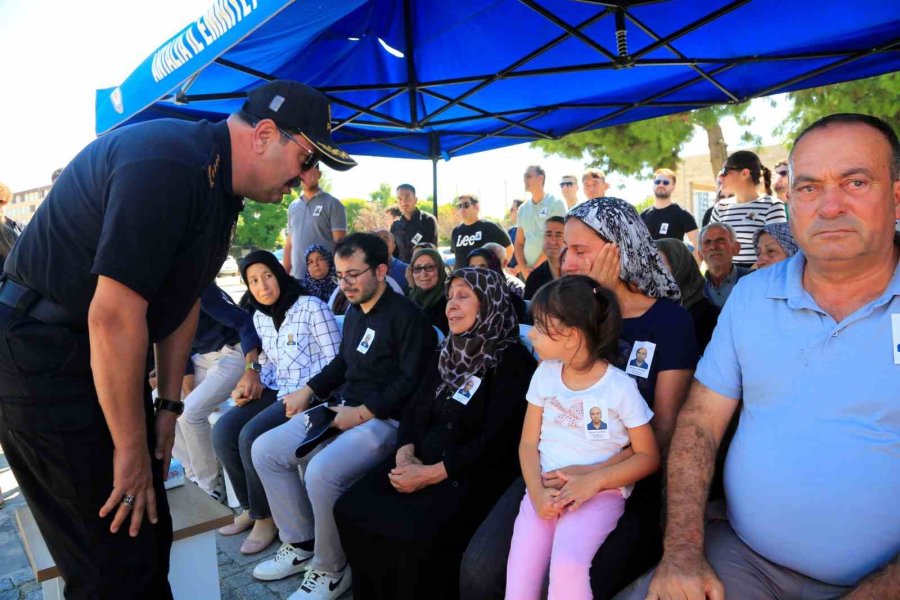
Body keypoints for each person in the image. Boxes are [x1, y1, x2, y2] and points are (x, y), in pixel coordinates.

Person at [0, 80, 354, 599]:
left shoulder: (219, 190)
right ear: (263, 134)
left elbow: (183, 302)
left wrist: (166, 412)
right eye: (304, 159)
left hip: (81, 353)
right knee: (109, 562)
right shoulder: (170, 163)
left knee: (146, 533)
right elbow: (113, 317)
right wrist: (130, 448)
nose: (307, 176)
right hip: (42, 354)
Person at [618, 113, 900, 599]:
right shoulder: (753, 296)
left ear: (896, 196)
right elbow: (700, 423)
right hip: (746, 562)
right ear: (789, 202)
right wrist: (682, 551)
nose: (830, 206)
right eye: (809, 187)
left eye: (855, 181)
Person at [461, 197, 698, 599]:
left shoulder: (669, 322)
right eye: (566, 249)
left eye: (581, 250)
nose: (567, 260)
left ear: (619, 249)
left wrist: (594, 477)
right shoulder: (564, 317)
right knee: (480, 572)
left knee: (570, 577)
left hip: (622, 483)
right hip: (552, 469)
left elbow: (663, 432)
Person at [334, 268, 536, 600]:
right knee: (351, 509)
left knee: (414, 534)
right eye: (450, 297)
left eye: (463, 296)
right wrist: (404, 449)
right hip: (422, 456)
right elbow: (415, 407)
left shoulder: (512, 361)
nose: (451, 306)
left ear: (489, 303)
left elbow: (496, 441)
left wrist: (432, 473)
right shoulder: (447, 351)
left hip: (470, 472)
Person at [251, 233, 434, 598]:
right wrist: (309, 389)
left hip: (386, 421)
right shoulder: (353, 313)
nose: (345, 284)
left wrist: (362, 413)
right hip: (340, 407)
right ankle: (302, 542)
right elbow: (343, 363)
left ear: (381, 271)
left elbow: (411, 381)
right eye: (339, 275)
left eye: (354, 274)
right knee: (265, 450)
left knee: (321, 472)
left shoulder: (408, 317)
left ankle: (331, 569)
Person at [507, 276, 660, 600]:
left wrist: (594, 481)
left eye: (539, 325)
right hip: (543, 492)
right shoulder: (545, 374)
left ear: (572, 337)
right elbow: (527, 443)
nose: (530, 333)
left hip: (598, 495)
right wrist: (535, 492)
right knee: (519, 576)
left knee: (567, 567)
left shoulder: (619, 388)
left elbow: (648, 456)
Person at [213, 251, 342, 555]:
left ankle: (265, 519)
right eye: (253, 281)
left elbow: (337, 360)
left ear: (279, 274)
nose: (262, 286)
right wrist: (250, 377)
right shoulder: (260, 316)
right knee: (223, 429)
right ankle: (250, 506)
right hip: (278, 388)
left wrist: (308, 391)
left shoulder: (311, 308)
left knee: (249, 435)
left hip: (312, 395)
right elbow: (268, 362)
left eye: (267, 276)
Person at [170, 283, 262, 502]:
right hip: (201, 359)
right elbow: (177, 347)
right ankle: (192, 472)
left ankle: (210, 484)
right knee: (161, 404)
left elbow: (243, 320)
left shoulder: (197, 286)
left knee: (190, 413)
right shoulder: (159, 297)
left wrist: (252, 368)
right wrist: (193, 392)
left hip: (231, 353)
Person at [711, 150, 787, 267]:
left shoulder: (772, 205)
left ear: (745, 173)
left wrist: (745, 279)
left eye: (725, 171)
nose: (720, 177)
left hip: (759, 278)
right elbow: (710, 245)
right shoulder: (720, 207)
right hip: (725, 278)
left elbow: (776, 249)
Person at [655, 238, 721, 353]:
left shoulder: (708, 315)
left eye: (660, 266)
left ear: (679, 267)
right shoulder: (653, 308)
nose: (654, 272)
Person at [283, 165, 347, 279]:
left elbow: (340, 244)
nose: (304, 176)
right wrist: (284, 275)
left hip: (324, 279)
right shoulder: (293, 206)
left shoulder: (333, 204)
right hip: (297, 277)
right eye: (301, 172)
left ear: (319, 174)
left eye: (308, 171)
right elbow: (289, 244)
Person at [515, 165, 567, 279]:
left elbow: (558, 238)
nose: (524, 180)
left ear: (540, 178)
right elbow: (519, 243)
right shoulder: (522, 209)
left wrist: (535, 269)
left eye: (528, 176)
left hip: (551, 270)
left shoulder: (556, 203)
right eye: (524, 177)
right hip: (527, 273)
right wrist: (523, 268)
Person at [640, 168, 700, 261]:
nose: (661, 184)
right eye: (657, 181)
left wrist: (693, 273)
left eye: (666, 182)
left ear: (673, 187)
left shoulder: (683, 214)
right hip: (647, 273)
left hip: (674, 273)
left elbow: (698, 247)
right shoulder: (643, 215)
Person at [466, 247, 528, 325]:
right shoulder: (462, 299)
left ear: (493, 268)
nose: (477, 271)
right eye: (472, 267)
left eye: (482, 266)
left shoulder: (512, 301)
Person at [450, 194, 512, 266]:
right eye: (460, 206)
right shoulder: (456, 231)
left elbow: (509, 248)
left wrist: (501, 268)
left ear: (477, 207)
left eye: (466, 205)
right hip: (462, 276)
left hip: (483, 276)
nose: (462, 209)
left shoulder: (490, 227)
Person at [699, 222, 749, 309]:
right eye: (707, 242)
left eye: (720, 240)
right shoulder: (695, 289)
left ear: (736, 248)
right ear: (700, 254)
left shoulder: (752, 279)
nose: (713, 247)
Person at [406, 247, 449, 334]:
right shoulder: (409, 298)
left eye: (429, 267)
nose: (423, 274)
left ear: (440, 268)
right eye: (417, 268)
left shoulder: (450, 300)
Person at [390, 184, 437, 262]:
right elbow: (394, 253)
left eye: (407, 197)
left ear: (415, 199)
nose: (403, 202)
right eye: (399, 198)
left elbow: (432, 250)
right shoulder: (395, 226)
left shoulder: (428, 220)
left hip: (423, 270)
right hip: (402, 271)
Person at [524, 216, 565, 300]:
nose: (553, 241)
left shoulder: (578, 273)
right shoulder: (534, 278)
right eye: (548, 234)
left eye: (559, 235)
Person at [373, 228, 409, 294]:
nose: (380, 242)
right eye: (376, 239)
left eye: (385, 239)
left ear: (393, 246)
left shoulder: (406, 270)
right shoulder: (364, 270)